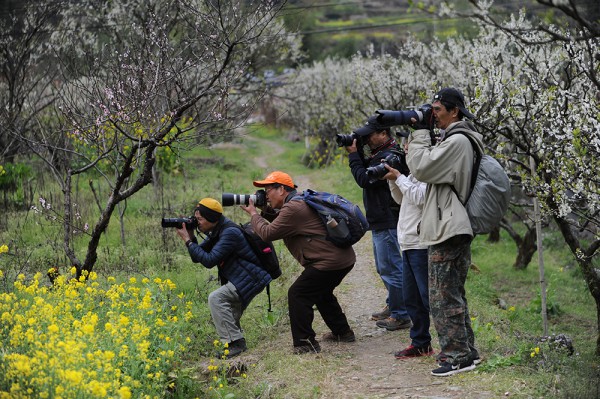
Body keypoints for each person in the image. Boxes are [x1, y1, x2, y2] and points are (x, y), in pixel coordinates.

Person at [405, 87, 481, 376]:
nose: (432, 114)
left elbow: (422, 168)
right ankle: (466, 351)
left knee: (441, 297)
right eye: (432, 109)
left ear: (455, 111)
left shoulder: (459, 140)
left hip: (449, 228)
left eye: (437, 109)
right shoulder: (456, 139)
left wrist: (421, 133)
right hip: (450, 225)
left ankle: (457, 355)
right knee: (452, 294)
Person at [240, 171, 356, 354]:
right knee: (321, 292)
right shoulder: (297, 201)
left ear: (281, 190)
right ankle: (343, 332)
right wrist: (264, 209)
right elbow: (282, 223)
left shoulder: (293, 208)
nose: (265, 195)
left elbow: (268, 233)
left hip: (329, 262)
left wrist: (254, 214)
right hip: (341, 259)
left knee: (298, 294)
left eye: (268, 190)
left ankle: (305, 343)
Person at [176, 198, 272, 358]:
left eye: (200, 219)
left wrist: (187, 241)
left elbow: (208, 260)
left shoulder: (229, 232)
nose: (197, 222)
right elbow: (197, 257)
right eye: (196, 219)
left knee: (216, 299)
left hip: (250, 278)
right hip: (244, 277)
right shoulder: (218, 229)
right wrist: (192, 238)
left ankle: (236, 344)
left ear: (212, 219)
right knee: (228, 310)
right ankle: (234, 343)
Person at [345, 117, 411, 331]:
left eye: (369, 135)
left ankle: (401, 314)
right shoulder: (380, 153)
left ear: (383, 133)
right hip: (380, 218)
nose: (367, 139)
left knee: (391, 267)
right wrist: (359, 151)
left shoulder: (390, 156)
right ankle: (394, 305)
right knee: (384, 267)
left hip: (388, 218)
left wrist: (354, 155)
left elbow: (364, 179)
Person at [384, 136, 432, 360]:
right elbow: (403, 200)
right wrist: (393, 180)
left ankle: (452, 346)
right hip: (408, 243)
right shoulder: (413, 175)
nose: (406, 154)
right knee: (411, 298)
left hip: (422, 244)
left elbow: (421, 198)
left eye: (409, 149)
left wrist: (401, 178)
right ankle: (420, 343)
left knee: (428, 297)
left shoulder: (429, 173)